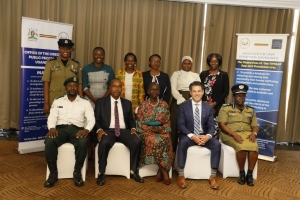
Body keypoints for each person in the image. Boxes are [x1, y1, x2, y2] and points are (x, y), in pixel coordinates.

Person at [44, 76, 95, 188]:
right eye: (69, 85)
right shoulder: (58, 101)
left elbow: (91, 119)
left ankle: (77, 172)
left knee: (83, 142)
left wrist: (86, 130)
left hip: (77, 130)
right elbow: (52, 117)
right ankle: (53, 174)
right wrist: (52, 128)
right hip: (60, 130)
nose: (72, 87)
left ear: (77, 87)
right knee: (49, 141)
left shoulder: (85, 102)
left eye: (75, 85)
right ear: (65, 87)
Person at [94, 78, 144, 186]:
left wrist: (133, 129)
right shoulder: (101, 102)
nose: (117, 89)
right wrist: (99, 130)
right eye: (114, 86)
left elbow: (130, 120)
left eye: (119, 86)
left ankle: (133, 171)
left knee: (137, 141)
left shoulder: (127, 103)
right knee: (104, 142)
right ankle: (101, 172)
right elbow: (96, 120)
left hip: (123, 130)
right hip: (108, 130)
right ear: (110, 88)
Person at [177, 81, 221, 190]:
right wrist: (192, 136)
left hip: (203, 136)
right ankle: (181, 175)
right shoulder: (183, 107)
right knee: (182, 142)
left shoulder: (208, 108)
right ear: (190, 93)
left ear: (203, 92)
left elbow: (211, 126)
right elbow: (181, 125)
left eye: (199, 91)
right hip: (189, 135)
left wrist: (208, 136)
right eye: (194, 91)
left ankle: (213, 176)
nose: (197, 94)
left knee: (217, 144)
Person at [218, 84, 258, 186]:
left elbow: (255, 125)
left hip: (246, 134)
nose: (241, 98)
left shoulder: (250, 110)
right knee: (240, 147)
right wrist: (234, 134)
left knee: (254, 147)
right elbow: (222, 124)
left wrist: (254, 133)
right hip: (229, 134)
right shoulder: (225, 108)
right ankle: (241, 173)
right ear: (234, 97)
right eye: (238, 96)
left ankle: (249, 174)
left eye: (243, 96)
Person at [136, 82, 173, 185]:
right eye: (152, 89)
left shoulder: (164, 104)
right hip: (146, 132)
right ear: (148, 91)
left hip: (161, 131)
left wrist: (161, 130)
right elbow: (139, 123)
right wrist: (152, 130)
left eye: (156, 90)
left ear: (159, 91)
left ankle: (160, 171)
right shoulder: (143, 105)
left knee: (166, 139)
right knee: (154, 140)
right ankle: (163, 171)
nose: (154, 92)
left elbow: (167, 122)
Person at [82, 47, 115, 160]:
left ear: (104, 56)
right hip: (89, 100)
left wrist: (102, 99)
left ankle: (99, 146)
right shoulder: (86, 68)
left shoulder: (109, 69)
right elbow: (84, 86)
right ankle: (89, 147)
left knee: (102, 123)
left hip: (104, 100)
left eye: (101, 54)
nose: (99, 56)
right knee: (89, 124)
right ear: (93, 55)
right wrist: (93, 98)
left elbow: (111, 86)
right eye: (96, 54)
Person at [42, 39, 83, 115]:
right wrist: (46, 103)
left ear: (70, 50)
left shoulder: (76, 64)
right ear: (59, 49)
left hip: (72, 100)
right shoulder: (50, 63)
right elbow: (46, 83)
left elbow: (79, 83)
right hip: (54, 99)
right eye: (63, 48)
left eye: (68, 48)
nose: (65, 50)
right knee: (53, 124)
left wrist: (81, 101)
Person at [170, 56, 200, 152]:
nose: (187, 65)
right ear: (182, 64)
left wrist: (191, 99)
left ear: (191, 65)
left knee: (189, 124)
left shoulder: (195, 75)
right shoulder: (176, 74)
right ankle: (172, 152)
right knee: (174, 125)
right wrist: (182, 100)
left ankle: (187, 150)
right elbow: (173, 89)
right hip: (177, 99)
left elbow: (198, 88)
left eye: (189, 63)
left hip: (192, 99)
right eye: (185, 63)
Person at [200, 53, 229, 137]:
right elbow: (200, 88)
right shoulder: (203, 74)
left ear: (219, 62)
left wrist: (214, 103)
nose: (213, 63)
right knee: (203, 128)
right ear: (208, 62)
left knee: (214, 129)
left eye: (216, 61)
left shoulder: (224, 75)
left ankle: (214, 147)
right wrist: (204, 102)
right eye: (211, 61)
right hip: (204, 105)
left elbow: (226, 92)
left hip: (217, 106)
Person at [116, 52, 145, 119]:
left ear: (135, 62)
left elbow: (141, 90)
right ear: (125, 61)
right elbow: (116, 88)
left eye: (132, 61)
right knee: (122, 120)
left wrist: (141, 104)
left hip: (134, 104)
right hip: (121, 102)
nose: (130, 63)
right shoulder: (119, 73)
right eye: (128, 60)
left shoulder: (139, 74)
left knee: (133, 122)